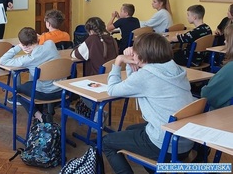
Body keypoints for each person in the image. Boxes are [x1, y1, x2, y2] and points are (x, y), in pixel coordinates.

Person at [102, 32, 194, 174]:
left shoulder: (146, 76)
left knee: (107, 142)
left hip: (165, 145)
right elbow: (136, 84)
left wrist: (119, 61)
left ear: (143, 56)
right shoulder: (175, 68)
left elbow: (112, 90)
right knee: (130, 129)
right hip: (183, 140)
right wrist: (132, 64)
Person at [0, 27, 61, 122]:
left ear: (24, 44)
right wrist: (36, 39)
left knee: (17, 90)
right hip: (61, 90)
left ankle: (40, 116)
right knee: (31, 84)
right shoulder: (50, 44)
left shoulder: (28, 59)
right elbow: (43, 42)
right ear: (37, 38)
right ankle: (46, 110)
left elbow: (3, 60)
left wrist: (19, 46)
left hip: (45, 93)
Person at [71, 17, 119, 123]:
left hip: (95, 81)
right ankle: (97, 112)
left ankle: (98, 112)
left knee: (76, 89)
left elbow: (76, 54)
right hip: (112, 79)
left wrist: (79, 46)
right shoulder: (111, 39)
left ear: (90, 31)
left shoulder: (92, 39)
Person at [201, 24, 233, 109]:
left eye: (227, 39)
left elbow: (207, 95)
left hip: (223, 115)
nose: (224, 42)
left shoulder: (229, 69)